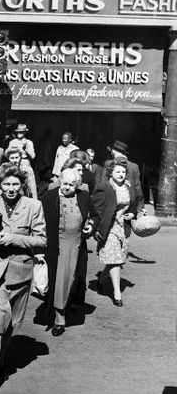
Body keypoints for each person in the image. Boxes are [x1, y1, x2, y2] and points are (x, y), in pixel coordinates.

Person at [0, 163, 47, 394]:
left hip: (20, 272)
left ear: (22, 185)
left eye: (15, 184)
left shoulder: (34, 206)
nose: (11, 188)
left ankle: (1, 358)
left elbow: (42, 241)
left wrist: (14, 238)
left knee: (11, 325)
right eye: (6, 184)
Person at [41, 168, 94, 336]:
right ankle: (59, 319)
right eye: (64, 183)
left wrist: (91, 225)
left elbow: (94, 216)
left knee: (73, 279)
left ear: (77, 185)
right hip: (57, 245)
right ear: (59, 181)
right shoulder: (49, 198)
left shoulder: (84, 196)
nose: (67, 187)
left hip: (77, 244)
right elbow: (39, 220)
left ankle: (67, 305)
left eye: (72, 184)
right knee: (59, 281)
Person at [92, 158, 140, 307]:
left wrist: (132, 214)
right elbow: (96, 208)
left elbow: (134, 202)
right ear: (111, 172)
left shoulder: (128, 186)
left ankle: (101, 279)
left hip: (122, 227)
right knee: (116, 260)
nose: (121, 174)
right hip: (109, 227)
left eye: (123, 172)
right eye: (117, 171)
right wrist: (96, 227)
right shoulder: (105, 187)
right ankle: (117, 293)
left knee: (117, 259)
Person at [105, 140, 145, 211]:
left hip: (111, 203)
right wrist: (140, 206)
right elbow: (137, 188)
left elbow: (103, 182)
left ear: (114, 151)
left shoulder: (109, 164)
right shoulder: (134, 166)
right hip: (129, 203)